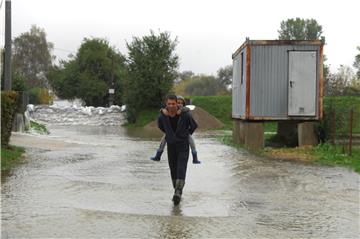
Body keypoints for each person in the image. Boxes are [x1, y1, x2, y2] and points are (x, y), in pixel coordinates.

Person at [157, 94, 198, 205]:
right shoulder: (162, 116)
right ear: (166, 104)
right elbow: (160, 126)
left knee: (181, 167)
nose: (171, 106)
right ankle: (176, 190)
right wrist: (169, 134)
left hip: (183, 145)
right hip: (171, 146)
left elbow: (194, 126)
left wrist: (185, 134)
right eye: (169, 104)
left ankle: (178, 192)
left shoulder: (185, 114)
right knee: (173, 169)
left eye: (173, 104)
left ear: (177, 104)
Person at [150, 96, 200, 164]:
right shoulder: (169, 111)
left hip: (183, 133)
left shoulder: (185, 111)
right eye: (178, 102)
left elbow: (187, 109)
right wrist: (162, 110)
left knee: (191, 141)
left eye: (181, 103)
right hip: (171, 133)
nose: (179, 104)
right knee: (163, 141)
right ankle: (158, 155)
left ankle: (195, 157)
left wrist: (187, 132)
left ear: (183, 104)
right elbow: (164, 112)